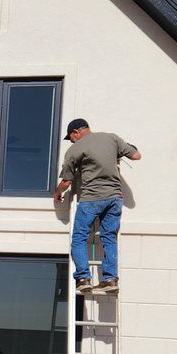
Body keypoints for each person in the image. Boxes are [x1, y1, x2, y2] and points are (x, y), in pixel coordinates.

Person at [52, 118, 141, 293]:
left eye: (71, 138)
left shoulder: (75, 149)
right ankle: (110, 280)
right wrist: (125, 149)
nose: (72, 141)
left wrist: (57, 193)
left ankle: (83, 278)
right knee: (109, 237)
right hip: (115, 198)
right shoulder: (112, 139)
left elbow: (67, 181)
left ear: (75, 132)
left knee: (79, 238)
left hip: (91, 198)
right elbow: (136, 156)